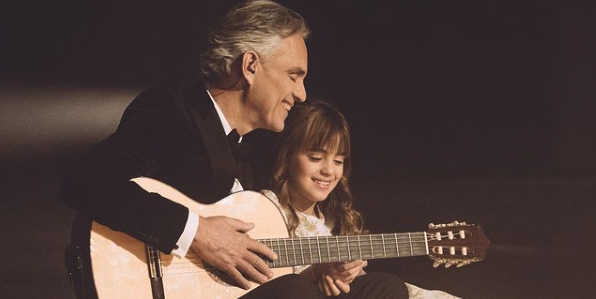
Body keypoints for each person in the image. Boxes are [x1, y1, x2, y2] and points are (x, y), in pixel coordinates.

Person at [61, 1, 327, 298]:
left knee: (380, 287)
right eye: (294, 75)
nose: (302, 94)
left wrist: (318, 269)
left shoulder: (242, 154)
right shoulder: (173, 113)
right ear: (250, 65)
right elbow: (87, 181)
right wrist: (198, 233)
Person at [263, 101, 461, 299]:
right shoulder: (264, 208)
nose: (329, 171)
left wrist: (346, 273)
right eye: (315, 157)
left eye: (338, 161)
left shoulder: (331, 226)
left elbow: (367, 286)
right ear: (287, 156)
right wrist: (314, 273)